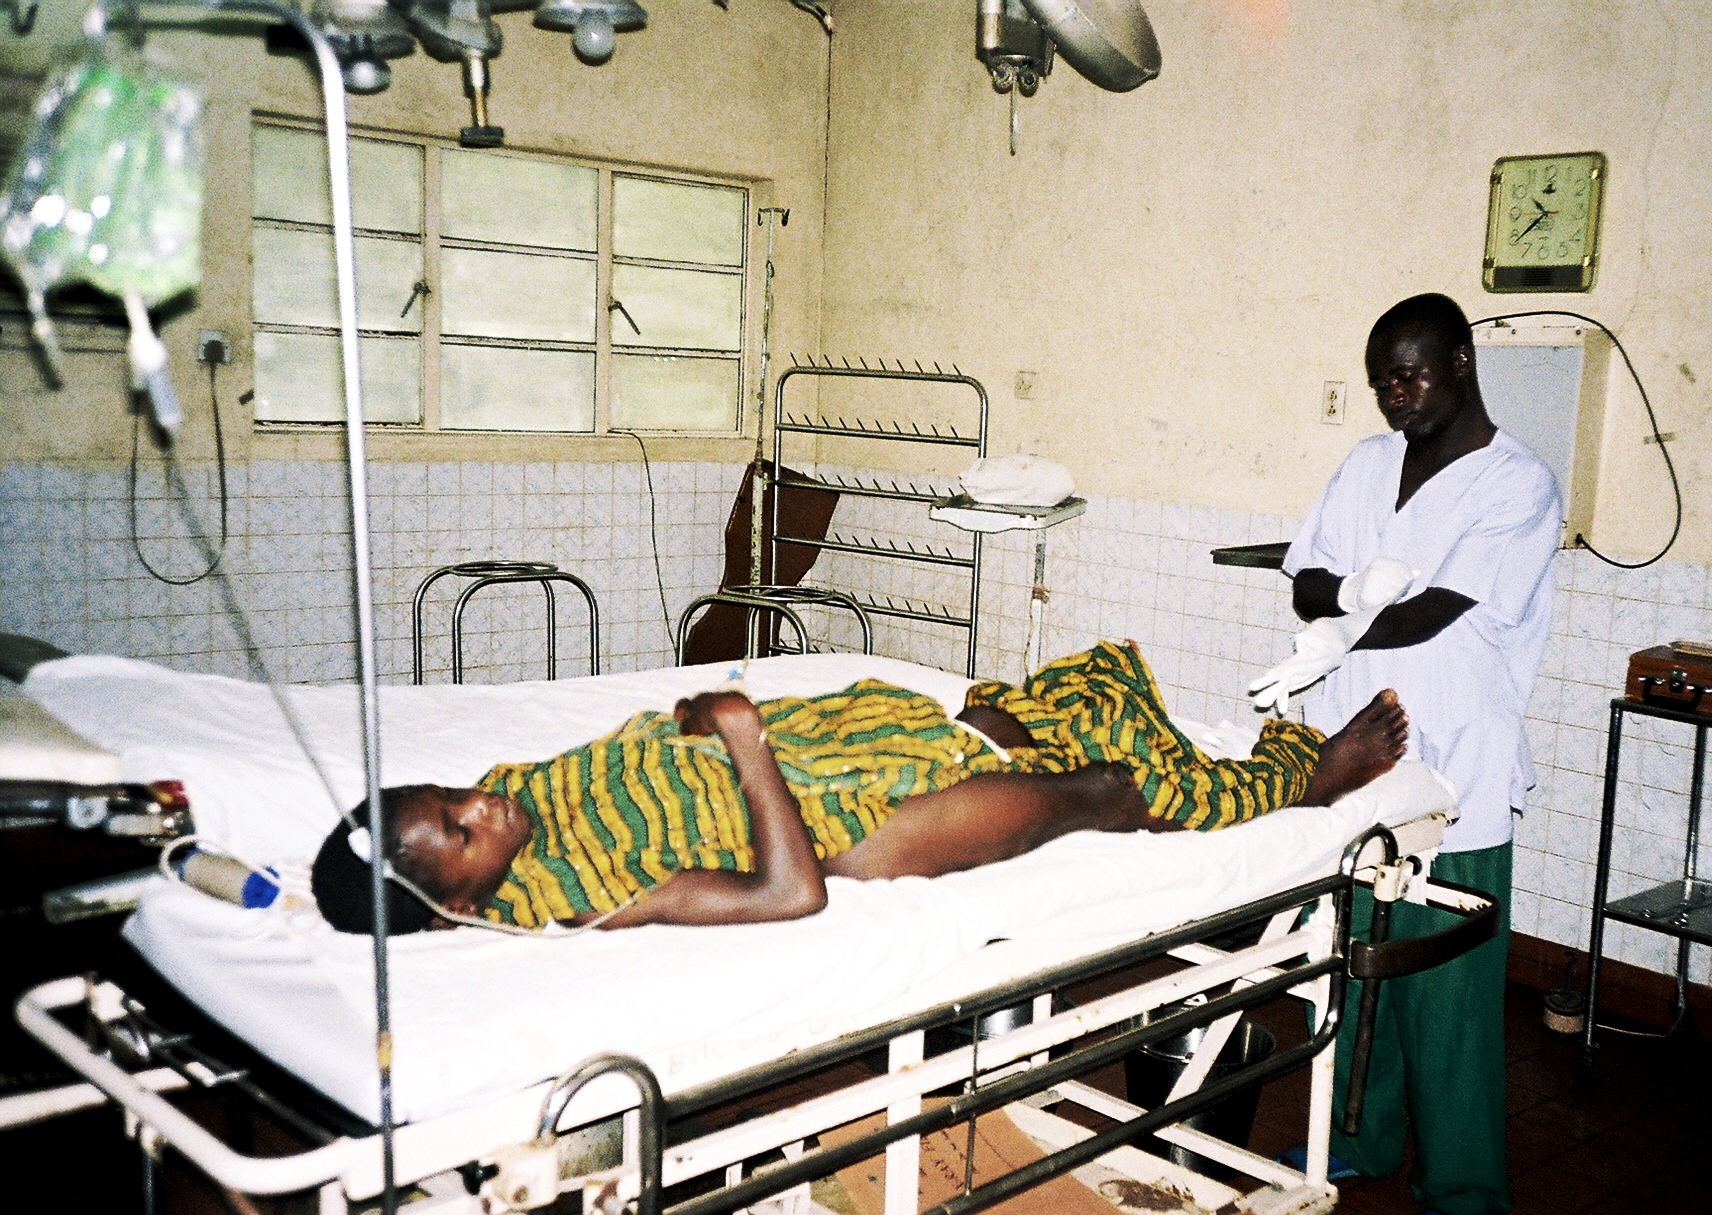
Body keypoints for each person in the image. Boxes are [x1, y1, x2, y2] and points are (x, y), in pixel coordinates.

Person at [313, 642, 1410, 934]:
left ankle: (1002, 731)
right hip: (849, 828)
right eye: (461, 832)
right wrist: (741, 737)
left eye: (451, 794)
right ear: (459, 903)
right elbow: (790, 894)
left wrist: (695, 719)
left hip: (813, 746)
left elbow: (638, 757)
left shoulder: (516, 790)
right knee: (1109, 792)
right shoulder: (576, 896)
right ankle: (1305, 789)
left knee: (1002, 716)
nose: (482, 805)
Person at [1268, 293, 1561, 1215]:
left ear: (1462, 360)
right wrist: (1348, 593)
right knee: (1355, 960)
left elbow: (1432, 611)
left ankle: (1464, 1183)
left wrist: (1340, 621)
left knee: (1448, 991)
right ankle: (1359, 1133)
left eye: (1409, 375)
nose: (1393, 396)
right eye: (1380, 383)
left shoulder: (1517, 484)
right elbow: (1306, 581)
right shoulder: (1368, 464)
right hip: (1359, 755)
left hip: (1458, 761)